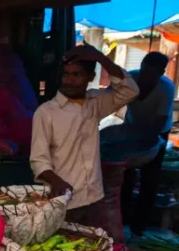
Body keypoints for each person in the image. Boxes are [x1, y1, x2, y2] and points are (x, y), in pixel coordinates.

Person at [30, 44, 138, 230]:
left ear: (91, 77)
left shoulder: (95, 102)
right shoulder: (46, 112)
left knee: (93, 249)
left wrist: (101, 59)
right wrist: (57, 181)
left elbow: (130, 91)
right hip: (64, 200)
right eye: (66, 74)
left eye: (77, 75)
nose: (69, 81)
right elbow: (38, 159)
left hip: (94, 197)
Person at [120, 52, 175, 235]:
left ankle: (139, 227)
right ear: (141, 67)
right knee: (125, 175)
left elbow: (159, 122)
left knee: (149, 178)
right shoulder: (131, 78)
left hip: (157, 132)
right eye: (144, 72)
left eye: (152, 75)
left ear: (161, 73)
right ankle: (122, 218)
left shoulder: (166, 89)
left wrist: (145, 147)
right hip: (132, 127)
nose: (146, 78)